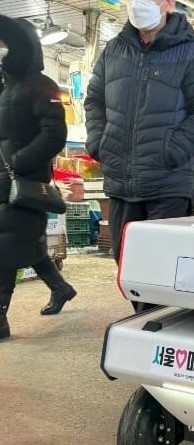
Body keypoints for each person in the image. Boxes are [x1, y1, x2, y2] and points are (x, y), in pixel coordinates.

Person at [84, 0, 194, 264]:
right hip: (121, 184)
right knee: (126, 267)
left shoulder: (193, 54)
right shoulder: (114, 50)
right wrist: (99, 143)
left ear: (168, 4)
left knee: (161, 269)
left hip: (167, 187)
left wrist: (172, 151)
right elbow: (94, 100)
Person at [0, 16, 76, 341]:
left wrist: (19, 161)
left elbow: (55, 134)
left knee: (6, 247)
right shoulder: (6, 86)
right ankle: (61, 287)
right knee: (23, 242)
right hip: (5, 181)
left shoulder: (42, 85)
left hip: (25, 181)